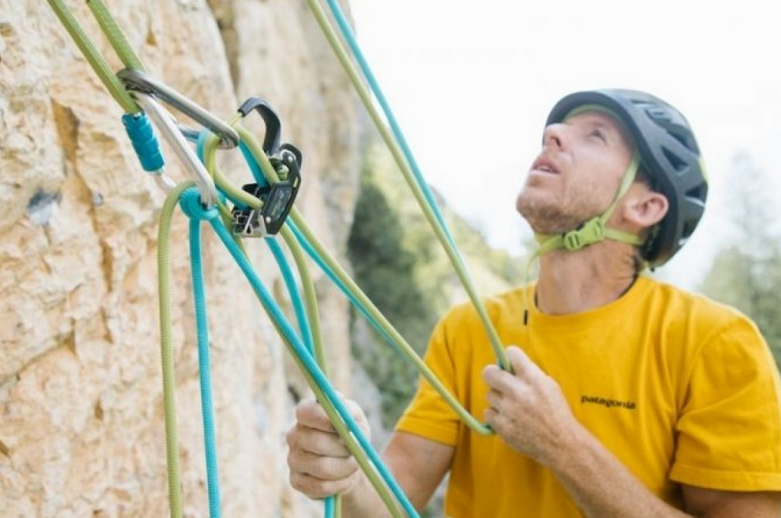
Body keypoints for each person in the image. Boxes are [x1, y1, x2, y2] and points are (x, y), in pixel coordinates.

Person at [286, 89, 781, 517]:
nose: (554, 134)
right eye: (559, 128)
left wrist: (562, 445)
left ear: (645, 207)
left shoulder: (712, 342)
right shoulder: (469, 328)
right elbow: (392, 501)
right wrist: (345, 473)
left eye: (596, 136)